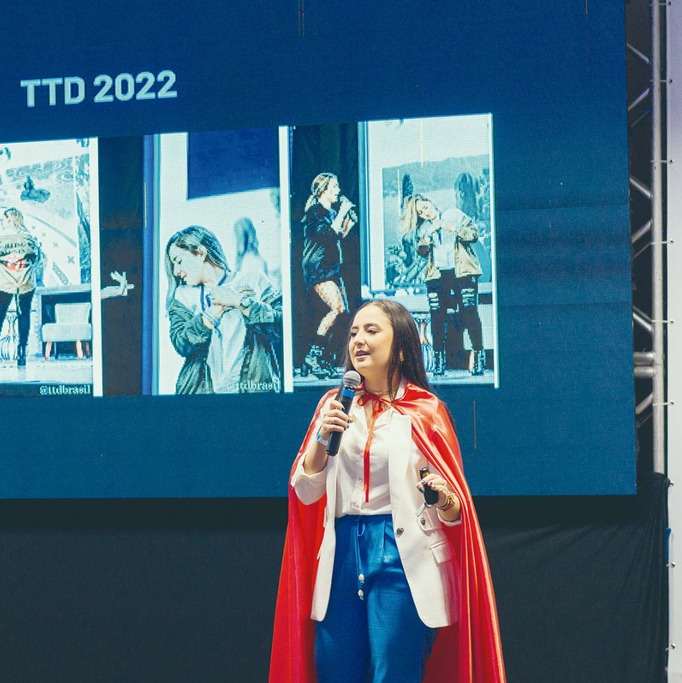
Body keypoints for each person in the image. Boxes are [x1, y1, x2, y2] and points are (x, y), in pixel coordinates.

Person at [270, 299, 505, 682]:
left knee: (393, 672)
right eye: (353, 333)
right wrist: (319, 439)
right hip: (342, 552)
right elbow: (306, 493)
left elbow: (455, 511)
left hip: (402, 552)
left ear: (399, 346)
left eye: (371, 330)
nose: (358, 340)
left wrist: (443, 496)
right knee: (335, 670)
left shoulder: (426, 410)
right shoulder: (333, 405)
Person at [165, 225, 282, 394]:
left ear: (200, 253)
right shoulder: (183, 296)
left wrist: (240, 302)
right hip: (202, 401)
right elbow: (181, 345)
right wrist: (214, 312)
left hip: (254, 396)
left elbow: (283, 329)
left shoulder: (254, 279)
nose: (176, 271)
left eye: (179, 261)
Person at [400, 195, 485, 377]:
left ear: (431, 201)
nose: (426, 212)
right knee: (437, 316)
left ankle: (478, 357)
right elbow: (421, 253)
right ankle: (439, 362)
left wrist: (450, 227)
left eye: (425, 206)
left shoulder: (453, 214)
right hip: (437, 274)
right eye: (421, 212)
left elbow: (474, 234)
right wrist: (425, 240)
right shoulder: (424, 228)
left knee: (469, 311)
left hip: (462, 271)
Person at [300, 172, 357, 380]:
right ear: (323, 190)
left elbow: (337, 236)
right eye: (334, 187)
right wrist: (342, 211)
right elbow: (327, 235)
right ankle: (312, 356)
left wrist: (348, 223)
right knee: (337, 309)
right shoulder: (314, 212)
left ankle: (322, 356)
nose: (338, 191)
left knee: (344, 313)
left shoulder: (331, 213)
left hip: (332, 267)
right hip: (318, 268)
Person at [0, 207, 42, 368]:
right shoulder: (29, 238)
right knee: (24, 314)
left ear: (9, 219)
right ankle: (21, 354)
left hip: (3, 280)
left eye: (3, 219)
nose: (2, 222)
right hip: (25, 280)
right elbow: (36, 258)